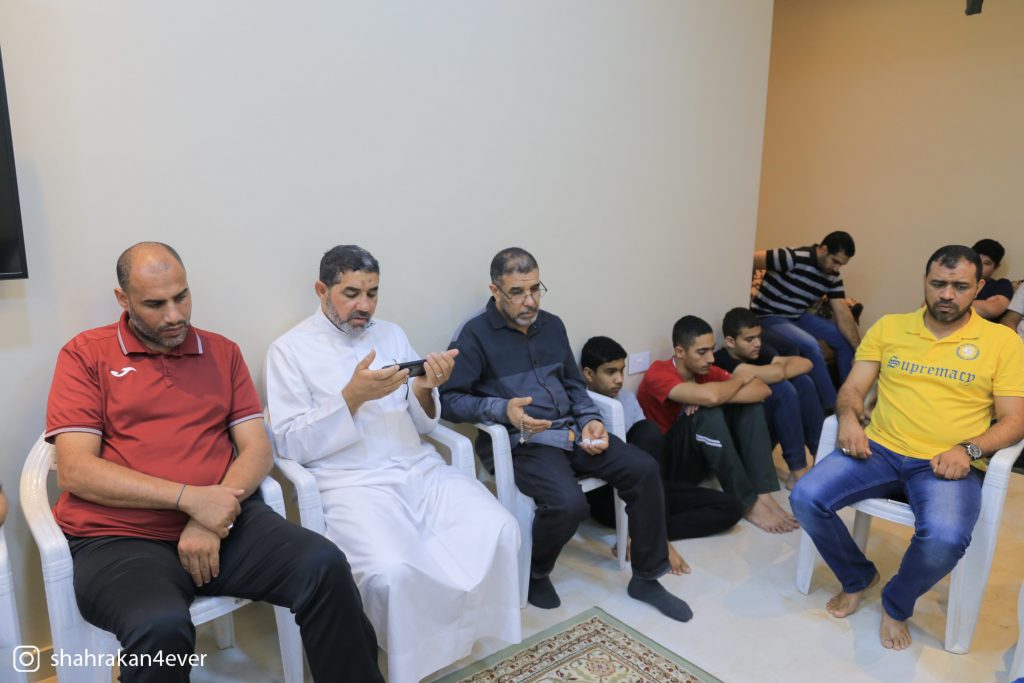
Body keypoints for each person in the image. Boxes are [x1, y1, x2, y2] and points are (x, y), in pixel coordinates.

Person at [46, 242, 382, 683]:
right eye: (155, 304)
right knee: (160, 628)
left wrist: (211, 516)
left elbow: (257, 449)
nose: (174, 315)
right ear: (123, 299)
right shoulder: (85, 355)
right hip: (120, 539)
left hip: (228, 525)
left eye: (181, 296)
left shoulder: (221, 352)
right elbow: (76, 470)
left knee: (324, 565)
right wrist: (190, 500)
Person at [265, 245, 521, 683]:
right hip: (350, 485)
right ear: (322, 290)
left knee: (499, 528)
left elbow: (422, 421)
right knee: (392, 571)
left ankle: (459, 639)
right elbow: (289, 445)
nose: (365, 306)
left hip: (418, 468)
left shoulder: (392, 334)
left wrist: (426, 386)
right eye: (351, 293)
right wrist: (351, 398)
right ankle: (410, 659)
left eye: (373, 293)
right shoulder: (288, 351)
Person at [790, 244, 1024, 651]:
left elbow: (1014, 420)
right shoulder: (890, 327)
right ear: (925, 282)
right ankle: (858, 577)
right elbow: (854, 388)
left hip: (946, 462)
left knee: (946, 537)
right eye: (938, 283)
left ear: (978, 288)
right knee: (805, 497)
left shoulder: (1002, 342)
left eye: (959, 286)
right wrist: (849, 419)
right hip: (879, 450)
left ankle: (897, 603)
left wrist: (968, 451)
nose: (946, 294)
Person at [441, 247, 692, 622]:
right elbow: (449, 400)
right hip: (522, 442)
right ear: (495, 290)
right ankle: (536, 571)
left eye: (535, 289)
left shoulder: (552, 325)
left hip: (570, 432)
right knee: (568, 503)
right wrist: (502, 410)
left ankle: (646, 577)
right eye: (517, 292)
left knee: (643, 468)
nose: (530, 301)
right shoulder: (474, 335)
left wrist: (590, 419)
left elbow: (574, 384)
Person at [580, 336, 744, 571]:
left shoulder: (626, 398)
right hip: (609, 498)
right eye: (610, 372)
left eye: (622, 370)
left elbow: (648, 451)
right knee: (647, 432)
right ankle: (654, 537)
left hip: (645, 490)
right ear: (588, 374)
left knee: (731, 508)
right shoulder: (581, 405)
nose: (619, 379)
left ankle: (645, 532)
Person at [637, 315, 799, 534]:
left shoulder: (705, 372)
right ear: (680, 352)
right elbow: (711, 397)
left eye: (712, 350)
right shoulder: (659, 373)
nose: (711, 358)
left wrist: (713, 396)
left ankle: (762, 493)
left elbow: (762, 389)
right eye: (702, 352)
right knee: (707, 413)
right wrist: (733, 383)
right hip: (670, 466)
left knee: (749, 406)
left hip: (699, 461)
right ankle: (748, 504)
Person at [714, 308, 823, 489]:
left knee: (803, 382)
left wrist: (777, 371)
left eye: (759, 336)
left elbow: (806, 363)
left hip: (762, 431)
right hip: (739, 440)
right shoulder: (722, 360)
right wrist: (777, 371)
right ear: (730, 341)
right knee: (782, 389)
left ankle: (821, 457)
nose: (757, 343)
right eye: (749, 339)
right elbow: (778, 374)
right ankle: (798, 469)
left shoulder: (756, 351)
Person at [751, 231, 860, 411]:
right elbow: (748, 259)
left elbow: (843, 313)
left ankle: (851, 396)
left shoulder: (833, 276)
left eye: (841, 264)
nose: (837, 268)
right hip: (768, 316)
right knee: (810, 345)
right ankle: (833, 406)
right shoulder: (791, 257)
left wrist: (860, 351)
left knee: (842, 337)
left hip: (797, 316)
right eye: (835, 261)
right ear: (823, 250)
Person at [971, 238, 1013, 321]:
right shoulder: (954, 280)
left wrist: (952, 304)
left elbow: (991, 310)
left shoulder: (1001, 285)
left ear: (996, 267)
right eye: (976, 260)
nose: (979, 266)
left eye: (987, 263)